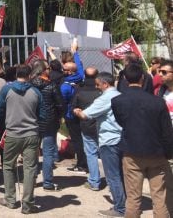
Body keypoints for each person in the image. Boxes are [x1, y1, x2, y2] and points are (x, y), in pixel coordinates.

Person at [111, 63, 173, 218]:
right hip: (157, 152)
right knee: (160, 197)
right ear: (143, 78)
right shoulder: (158, 101)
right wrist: (169, 152)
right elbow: (166, 131)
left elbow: (122, 122)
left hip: (132, 151)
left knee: (133, 198)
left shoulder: (117, 101)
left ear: (124, 78)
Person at [73, 72, 126, 217]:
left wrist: (78, 112)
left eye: (98, 84)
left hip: (109, 139)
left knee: (113, 176)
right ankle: (125, 202)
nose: (96, 87)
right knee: (121, 174)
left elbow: (86, 115)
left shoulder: (105, 98)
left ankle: (120, 208)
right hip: (122, 138)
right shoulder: (120, 95)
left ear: (105, 84)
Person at [0, 64, 42, 214]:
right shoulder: (36, 92)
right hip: (32, 134)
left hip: (13, 133)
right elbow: (41, 114)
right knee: (30, 168)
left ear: (16, 75)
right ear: (29, 75)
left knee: (8, 166)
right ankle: (27, 203)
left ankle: (10, 199)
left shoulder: (7, 90)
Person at [29, 60, 64, 192]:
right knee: (48, 153)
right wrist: (60, 116)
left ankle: (31, 180)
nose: (49, 70)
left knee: (32, 152)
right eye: (48, 68)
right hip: (49, 122)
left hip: (33, 121)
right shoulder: (52, 86)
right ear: (43, 70)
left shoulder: (29, 85)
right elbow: (60, 104)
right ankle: (47, 182)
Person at [71, 67, 102, 191]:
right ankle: (113, 181)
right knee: (107, 154)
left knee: (91, 153)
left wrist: (77, 112)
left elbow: (73, 107)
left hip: (86, 125)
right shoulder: (102, 92)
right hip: (102, 126)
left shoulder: (79, 91)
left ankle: (94, 181)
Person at [60, 41, 87, 174]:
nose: (62, 70)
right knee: (81, 138)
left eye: (65, 69)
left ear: (70, 71)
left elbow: (62, 101)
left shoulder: (65, 86)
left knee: (77, 139)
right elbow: (80, 68)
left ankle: (82, 164)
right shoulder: (80, 78)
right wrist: (75, 52)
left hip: (71, 114)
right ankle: (82, 162)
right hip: (80, 112)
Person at [154, 59, 173, 212]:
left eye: (164, 72)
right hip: (166, 139)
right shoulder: (161, 91)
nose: (160, 74)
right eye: (160, 71)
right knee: (168, 180)